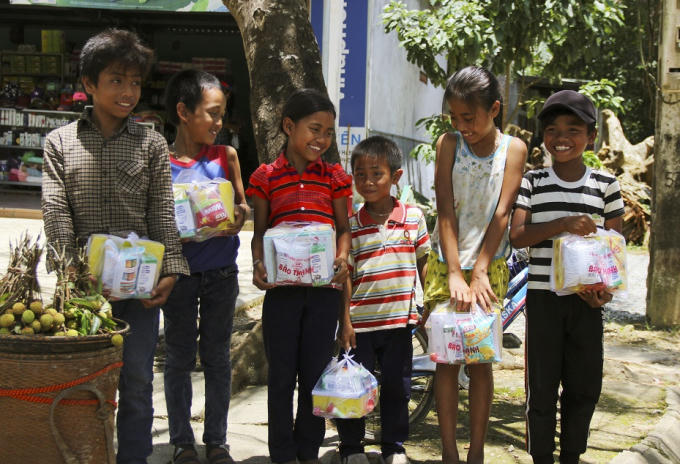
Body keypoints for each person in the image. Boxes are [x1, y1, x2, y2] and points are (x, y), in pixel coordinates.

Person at [41, 28, 190, 464]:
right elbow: (55, 210)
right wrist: (71, 272)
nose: (128, 92)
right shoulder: (60, 143)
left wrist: (171, 269)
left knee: (138, 380)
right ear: (89, 83)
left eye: (135, 82)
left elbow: (161, 210)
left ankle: (133, 458)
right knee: (83, 381)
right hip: (81, 291)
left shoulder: (151, 143)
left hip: (139, 289)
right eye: (116, 80)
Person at [509, 90, 624, 464]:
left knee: (584, 385)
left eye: (573, 129)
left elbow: (615, 249)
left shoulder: (606, 185)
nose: (562, 137)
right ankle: (541, 456)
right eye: (552, 129)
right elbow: (518, 236)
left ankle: (571, 455)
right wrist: (563, 223)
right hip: (543, 299)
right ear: (543, 135)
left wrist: (605, 293)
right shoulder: (533, 182)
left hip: (587, 302)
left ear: (591, 136)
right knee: (541, 386)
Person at [422, 66, 527, 464]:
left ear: (494, 109)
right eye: (454, 117)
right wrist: (453, 271)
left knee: (481, 361)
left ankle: (477, 452)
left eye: (469, 117)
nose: (461, 126)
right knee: (447, 361)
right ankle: (449, 451)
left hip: (489, 266)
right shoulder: (448, 143)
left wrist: (480, 270)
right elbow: (445, 208)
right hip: (445, 263)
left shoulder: (514, 149)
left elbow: (503, 212)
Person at [246, 88, 352, 464]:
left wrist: (342, 256)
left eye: (328, 132)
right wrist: (258, 264)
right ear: (289, 126)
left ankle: (308, 451)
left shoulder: (335, 177)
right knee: (281, 376)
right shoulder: (266, 177)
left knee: (314, 375)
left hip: (323, 293)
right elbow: (259, 233)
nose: (321, 140)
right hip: (282, 293)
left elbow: (343, 228)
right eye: (314, 129)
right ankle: (281, 453)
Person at [161, 69, 249, 464]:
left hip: (221, 274)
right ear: (184, 111)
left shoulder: (226, 156)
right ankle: (182, 442)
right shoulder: (161, 163)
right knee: (179, 359)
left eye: (222, 114)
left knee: (217, 358)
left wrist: (236, 216)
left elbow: (242, 207)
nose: (218, 123)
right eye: (212, 113)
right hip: (178, 275)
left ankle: (217, 441)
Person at [337, 136, 431, 464]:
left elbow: (424, 262)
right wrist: (345, 322)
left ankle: (393, 447)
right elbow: (345, 276)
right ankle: (351, 448)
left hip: (399, 323)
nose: (368, 181)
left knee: (397, 388)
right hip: (359, 325)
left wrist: (430, 304)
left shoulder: (414, 217)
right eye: (360, 175)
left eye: (376, 174)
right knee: (354, 388)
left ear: (395, 176)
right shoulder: (351, 225)